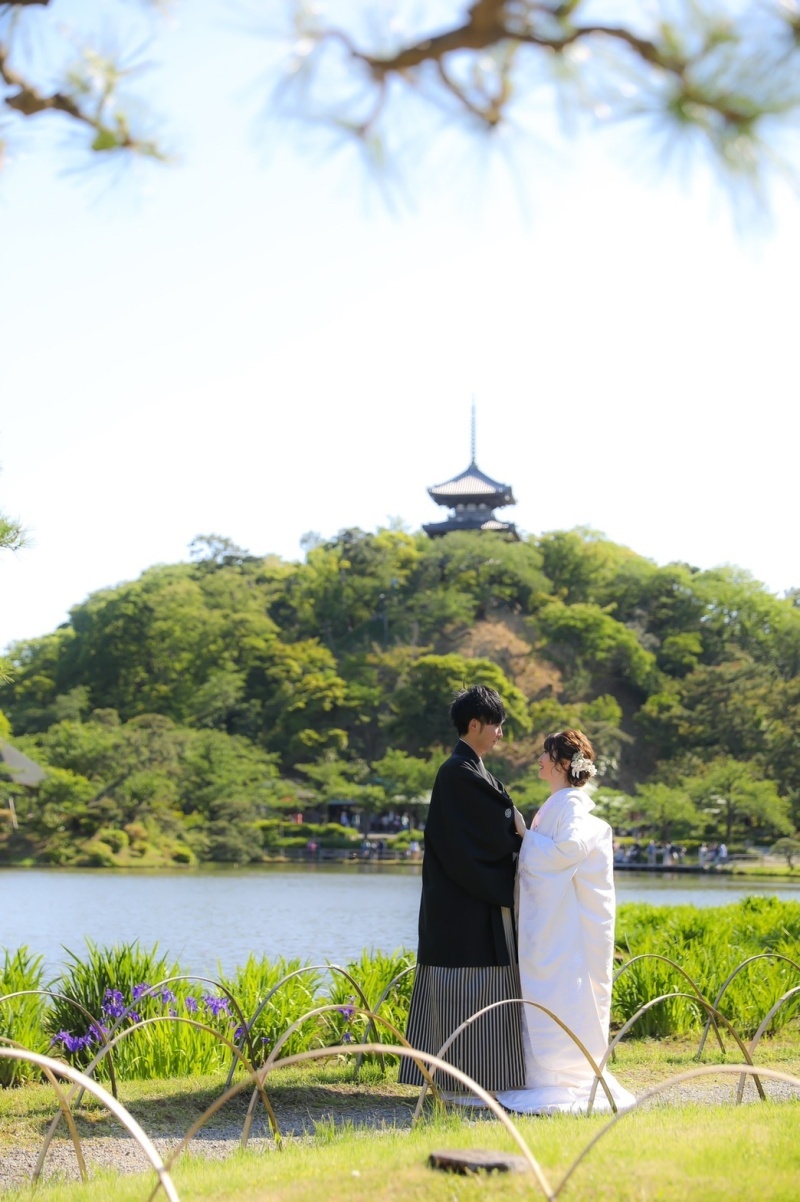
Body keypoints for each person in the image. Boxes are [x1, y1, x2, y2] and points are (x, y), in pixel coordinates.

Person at [497, 730, 635, 1115]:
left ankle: (557, 1076)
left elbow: (570, 850)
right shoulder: (561, 802)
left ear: (561, 764)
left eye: (546, 753)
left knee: (559, 992)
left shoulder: (571, 804)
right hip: (558, 924)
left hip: (563, 931)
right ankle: (547, 1073)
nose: (539, 758)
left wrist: (526, 838)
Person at [399, 685, 526, 1100]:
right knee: (465, 984)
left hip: (467, 899)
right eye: (496, 725)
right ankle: (461, 1077)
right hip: (461, 905)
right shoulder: (457, 772)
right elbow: (491, 831)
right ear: (475, 726)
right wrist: (517, 827)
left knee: (473, 986)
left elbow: (491, 825)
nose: (500, 733)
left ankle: (474, 1076)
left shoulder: (470, 771)